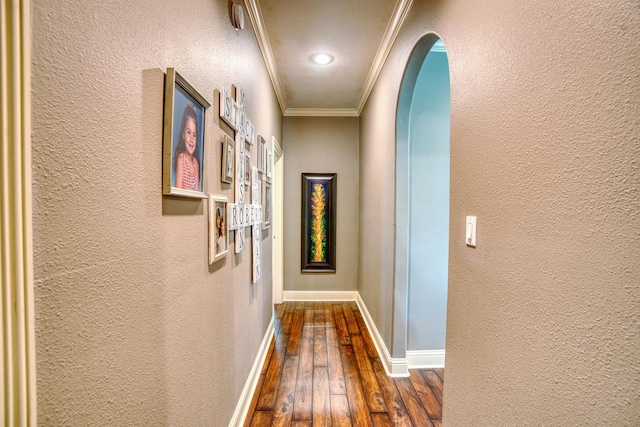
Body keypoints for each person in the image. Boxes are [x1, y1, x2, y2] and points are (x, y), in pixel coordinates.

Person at [174, 103, 200, 191]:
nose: (192, 139)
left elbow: (196, 191)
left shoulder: (196, 163)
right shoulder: (181, 160)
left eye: (194, 135)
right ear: (183, 135)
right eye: (188, 132)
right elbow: (178, 192)